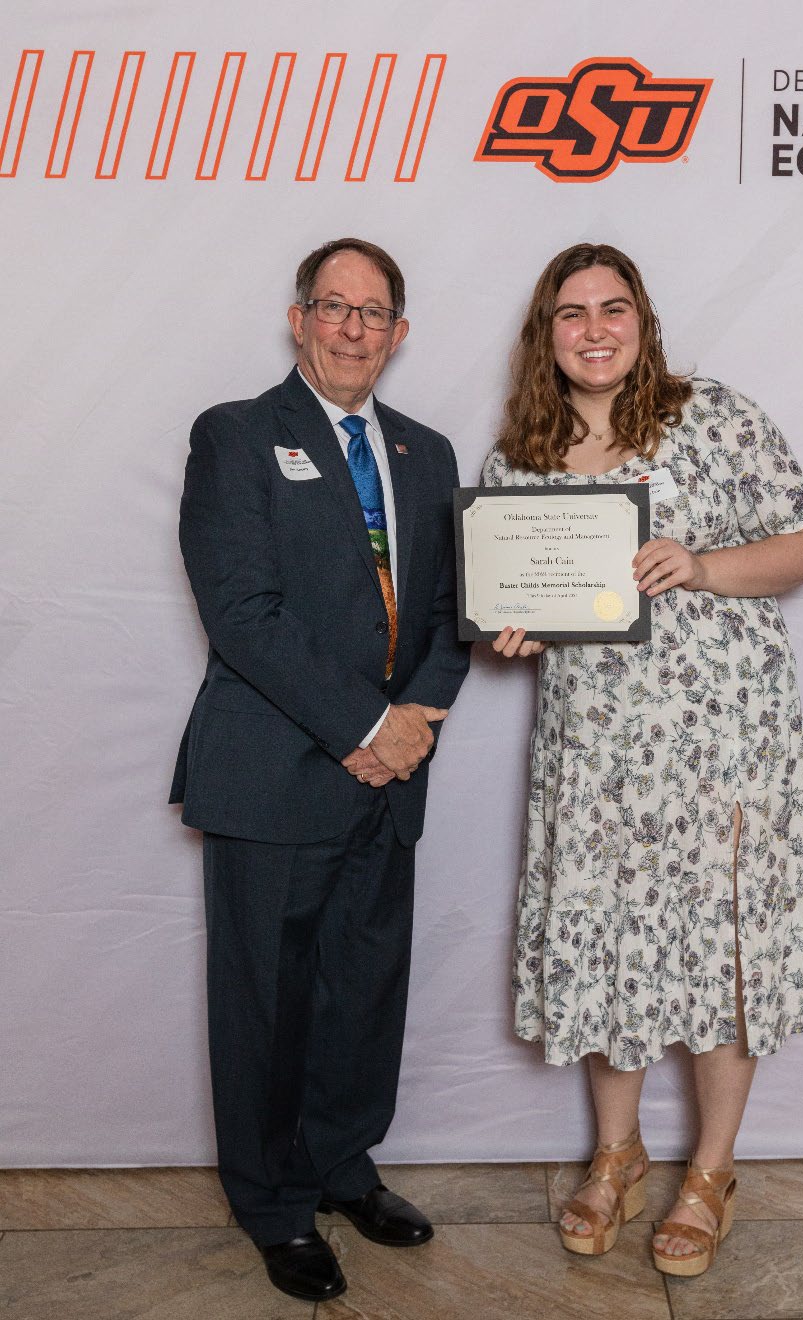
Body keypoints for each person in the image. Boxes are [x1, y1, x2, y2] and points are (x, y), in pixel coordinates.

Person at [481, 243, 803, 1276]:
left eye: (613, 308)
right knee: (608, 938)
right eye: (572, 313)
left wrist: (703, 565)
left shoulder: (713, 415)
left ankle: (711, 1172)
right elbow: (512, 599)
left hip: (725, 741)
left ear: (643, 321)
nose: (594, 330)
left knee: (720, 945)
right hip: (596, 750)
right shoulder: (518, 460)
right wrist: (512, 629)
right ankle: (617, 1154)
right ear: (546, 333)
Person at [170, 237, 470, 1302]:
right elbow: (242, 613)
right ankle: (273, 1204)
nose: (353, 328)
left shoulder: (429, 453)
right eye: (333, 307)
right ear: (298, 320)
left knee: (364, 988)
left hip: (391, 777)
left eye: (373, 312)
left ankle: (342, 1166)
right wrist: (368, 725)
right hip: (275, 772)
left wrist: (413, 722)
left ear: (400, 332)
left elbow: (453, 611)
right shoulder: (237, 435)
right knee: (268, 1000)